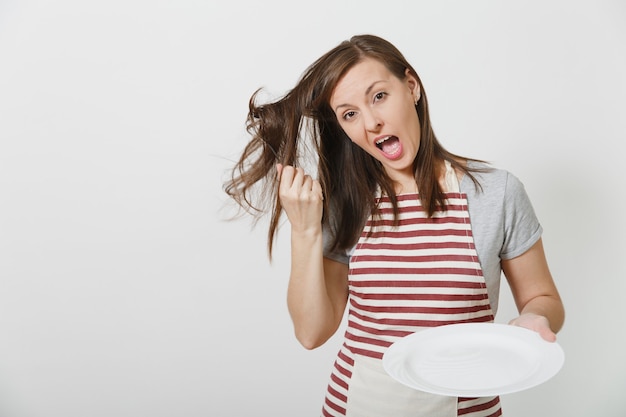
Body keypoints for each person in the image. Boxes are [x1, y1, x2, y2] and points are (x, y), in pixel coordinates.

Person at [223, 34, 565, 417]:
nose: (371, 122)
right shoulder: (344, 203)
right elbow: (311, 333)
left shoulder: (496, 192)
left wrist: (536, 317)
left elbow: (543, 298)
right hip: (357, 406)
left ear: (412, 87)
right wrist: (305, 231)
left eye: (379, 96)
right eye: (349, 113)